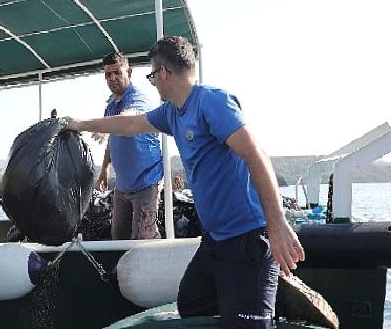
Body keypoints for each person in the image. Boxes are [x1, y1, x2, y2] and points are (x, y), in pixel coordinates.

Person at [64, 36, 304, 328]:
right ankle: (260, 297)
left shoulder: (211, 101)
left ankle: (265, 297)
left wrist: (277, 223)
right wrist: (82, 124)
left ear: (164, 72)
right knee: (192, 303)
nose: (153, 82)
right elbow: (129, 124)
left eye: (152, 76)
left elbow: (256, 154)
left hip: (248, 238)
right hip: (215, 241)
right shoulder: (172, 113)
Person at [96, 51, 163, 240]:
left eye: (117, 72)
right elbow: (113, 137)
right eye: (108, 74)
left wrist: (105, 125)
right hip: (122, 187)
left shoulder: (138, 98)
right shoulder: (110, 105)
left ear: (129, 72)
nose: (112, 78)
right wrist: (105, 168)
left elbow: (127, 119)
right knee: (118, 240)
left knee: (143, 240)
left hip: (146, 183)